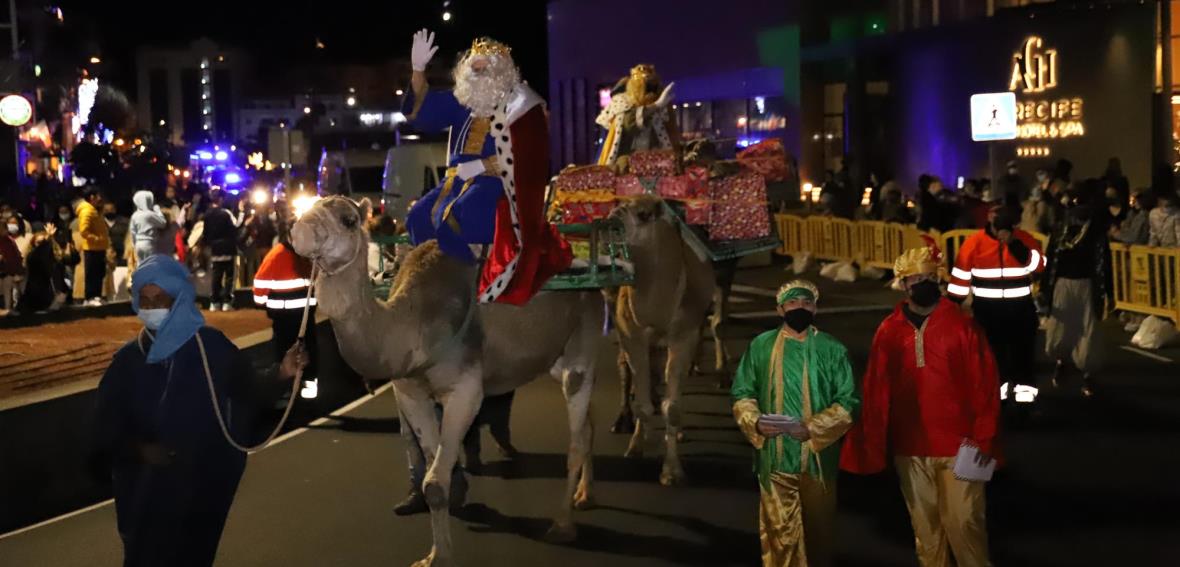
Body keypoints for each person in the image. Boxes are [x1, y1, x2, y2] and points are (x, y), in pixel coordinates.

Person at [92, 255, 307, 567]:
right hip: (147, 491)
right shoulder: (128, 361)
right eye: (146, 300)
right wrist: (139, 450)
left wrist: (282, 373)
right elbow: (104, 429)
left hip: (203, 485)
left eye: (160, 299)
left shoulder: (211, 347)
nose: (152, 308)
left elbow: (247, 388)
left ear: (178, 298)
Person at [842, 240, 1000, 567]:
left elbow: (985, 386)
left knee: (966, 524)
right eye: (914, 280)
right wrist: (870, 442)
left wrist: (985, 439)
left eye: (928, 278)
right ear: (903, 286)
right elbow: (875, 389)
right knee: (926, 531)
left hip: (963, 446)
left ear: (938, 280)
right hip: (910, 447)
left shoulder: (963, 327)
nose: (922, 285)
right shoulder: (888, 332)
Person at [403, 30, 572, 305]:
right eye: (475, 69)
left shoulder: (522, 106)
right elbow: (421, 113)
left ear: (502, 72)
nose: (479, 76)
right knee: (418, 217)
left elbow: (528, 157)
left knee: (458, 216)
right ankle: (438, 283)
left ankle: (471, 284)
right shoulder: (463, 104)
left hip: (497, 184)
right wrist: (419, 70)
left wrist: (482, 165)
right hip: (454, 182)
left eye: (485, 70)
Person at [730, 279, 858, 567]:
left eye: (806, 303)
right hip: (774, 461)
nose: (799, 308)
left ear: (816, 308)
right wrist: (756, 422)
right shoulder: (761, 347)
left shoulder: (833, 349)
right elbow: (742, 393)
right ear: (779, 309)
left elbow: (849, 402)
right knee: (779, 538)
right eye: (792, 303)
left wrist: (813, 428)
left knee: (819, 536)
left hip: (817, 461)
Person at [948, 205, 1044, 405]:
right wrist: (952, 305)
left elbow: (1039, 266)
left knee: (1023, 355)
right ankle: (995, 398)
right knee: (992, 355)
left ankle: (1024, 401)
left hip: (1021, 309)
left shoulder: (1024, 239)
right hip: (988, 311)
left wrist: (1015, 245)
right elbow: (960, 276)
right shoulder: (973, 244)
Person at [1042, 180, 1113, 397]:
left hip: (1087, 284)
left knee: (1087, 328)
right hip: (1063, 283)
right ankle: (1063, 362)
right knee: (1059, 327)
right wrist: (1046, 289)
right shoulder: (1061, 229)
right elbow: (1051, 259)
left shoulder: (1095, 231)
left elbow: (1105, 263)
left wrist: (1109, 292)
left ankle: (1087, 375)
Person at [252, 209, 319, 401]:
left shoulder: (308, 256)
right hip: (285, 317)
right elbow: (261, 283)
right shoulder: (279, 254)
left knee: (307, 348)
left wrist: (263, 303)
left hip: (300, 315)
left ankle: (307, 382)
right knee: (286, 349)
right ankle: (288, 385)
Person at [595, 63, 678, 169]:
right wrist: (656, 106)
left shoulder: (661, 106)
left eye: (652, 86)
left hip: (654, 162)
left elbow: (671, 134)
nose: (650, 91)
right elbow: (629, 123)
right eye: (647, 86)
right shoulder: (622, 102)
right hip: (626, 163)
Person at [14, 222, 66, 314]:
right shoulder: (31, 256)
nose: (41, 244)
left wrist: (50, 239)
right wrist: (48, 238)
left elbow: (58, 256)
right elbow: (39, 253)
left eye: (42, 242)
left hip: (49, 290)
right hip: (34, 291)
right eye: (38, 242)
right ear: (33, 243)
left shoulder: (52, 257)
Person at [200, 190, 239, 311]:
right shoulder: (226, 213)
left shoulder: (207, 215)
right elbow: (235, 227)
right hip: (227, 247)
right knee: (229, 276)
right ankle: (227, 302)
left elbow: (205, 234)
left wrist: (208, 245)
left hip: (215, 249)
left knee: (216, 275)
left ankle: (215, 302)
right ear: (221, 199)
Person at [74, 187, 110, 306]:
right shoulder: (87, 211)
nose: (100, 199)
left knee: (99, 273)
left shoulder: (94, 210)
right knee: (92, 274)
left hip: (98, 247)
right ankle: (89, 297)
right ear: (92, 197)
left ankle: (96, 296)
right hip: (92, 248)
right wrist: (96, 239)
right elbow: (84, 231)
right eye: (98, 196)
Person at [129, 190, 167, 264]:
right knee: (150, 265)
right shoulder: (149, 215)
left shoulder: (135, 215)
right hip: (149, 243)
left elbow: (132, 231)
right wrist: (158, 211)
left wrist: (134, 244)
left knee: (140, 265)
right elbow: (163, 223)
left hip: (138, 243)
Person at [104, 201, 131, 268]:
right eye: (106, 210)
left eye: (111, 209)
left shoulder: (125, 222)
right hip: (106, 257)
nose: (109, 212)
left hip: (122, 256)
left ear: (115, 210)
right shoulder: (99, 222)